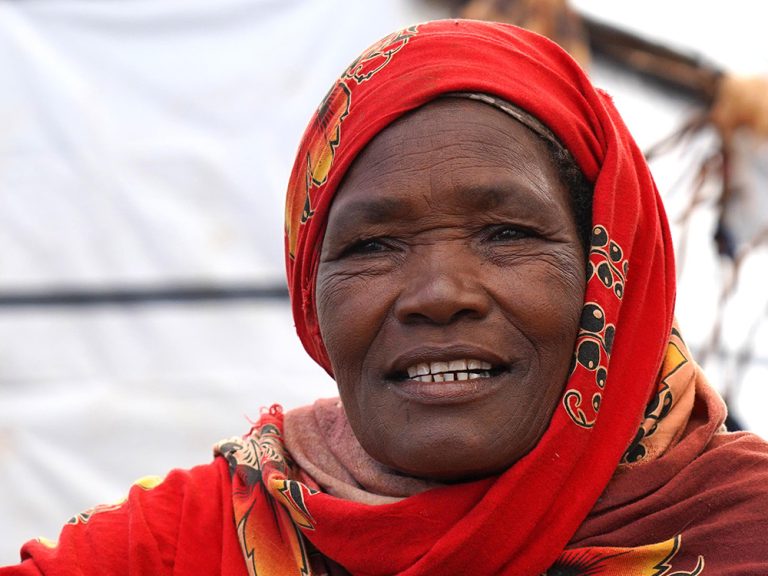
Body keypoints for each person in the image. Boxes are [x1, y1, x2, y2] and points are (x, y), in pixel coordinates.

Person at [4, 19, 768, 576]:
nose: (438, 295)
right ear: (312, 293)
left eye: (506, 232)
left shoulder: (745, 529)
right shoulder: (191, 540)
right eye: (371, 246)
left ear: (610, 273)